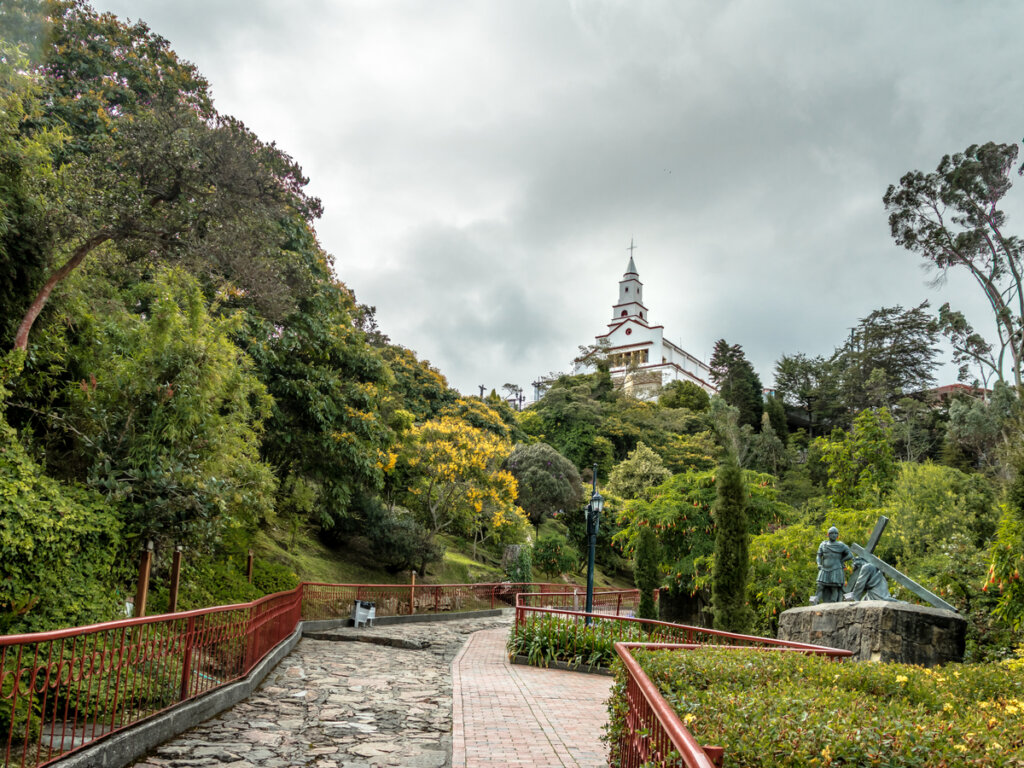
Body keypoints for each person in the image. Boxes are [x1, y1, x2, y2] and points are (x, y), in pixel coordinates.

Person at [814, 526, 853, 604]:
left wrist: (841, 560)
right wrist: (819, 564)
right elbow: (818, 555)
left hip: (836, 569)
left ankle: (834, 603)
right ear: (828, 534)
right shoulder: (823, 544)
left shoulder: (841, 545)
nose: (834, 535)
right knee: (820, 586)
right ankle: (815, 600)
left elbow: (850, 555)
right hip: (824, 569)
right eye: (832, 533)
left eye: (836, 533)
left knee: (834, 587)